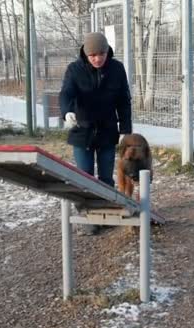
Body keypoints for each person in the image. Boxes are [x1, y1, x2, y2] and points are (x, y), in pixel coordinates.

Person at [59, 32, 132, 235]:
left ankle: (105, 213)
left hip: (108, 130)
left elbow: (124, 101)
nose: (98, 59)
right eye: (93, 56)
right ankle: (88, 217)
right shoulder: (74, 70)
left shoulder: (117, 69)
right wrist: (67, 112)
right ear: (85, 54)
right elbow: (66, 93)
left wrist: (125, 130)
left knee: (106, 178)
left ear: (107, 51)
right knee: (84, 176)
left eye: (101, 54)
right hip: (82, 131)